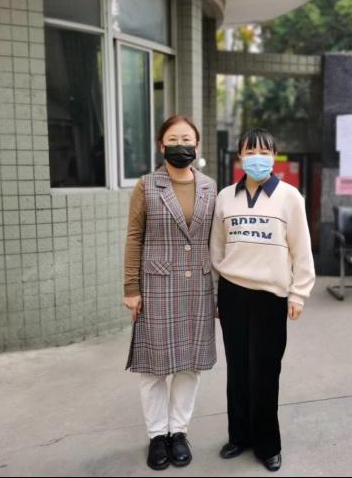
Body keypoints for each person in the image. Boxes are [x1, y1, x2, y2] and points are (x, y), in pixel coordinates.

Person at [210, 128, 316, 472]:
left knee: (266, 371)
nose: (257, 157)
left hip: (271, 296)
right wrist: (216, 292)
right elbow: (216, 249)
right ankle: (239, 436)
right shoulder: (225, 197)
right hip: (232, 294)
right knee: (238, 369)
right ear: (239, 156)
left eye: (264, 151)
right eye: (250, 151)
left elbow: (302, 250)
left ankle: (267, 444)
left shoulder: (290, 197)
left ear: (274, 156)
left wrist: (298, 293)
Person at [122, 115, 217, 470]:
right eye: (173, 139)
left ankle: (179, 431)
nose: (181, 145)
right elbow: (134, 238)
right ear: (161, 145)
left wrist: (219, 290)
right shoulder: (146, 186)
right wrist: (131, 288)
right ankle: (157, 435)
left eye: (187, 139)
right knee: (154, 368)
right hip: (157, 286)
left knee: (190, 365)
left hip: (198, 286)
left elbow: (214, 241)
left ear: (197, 145)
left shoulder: (209, 187)